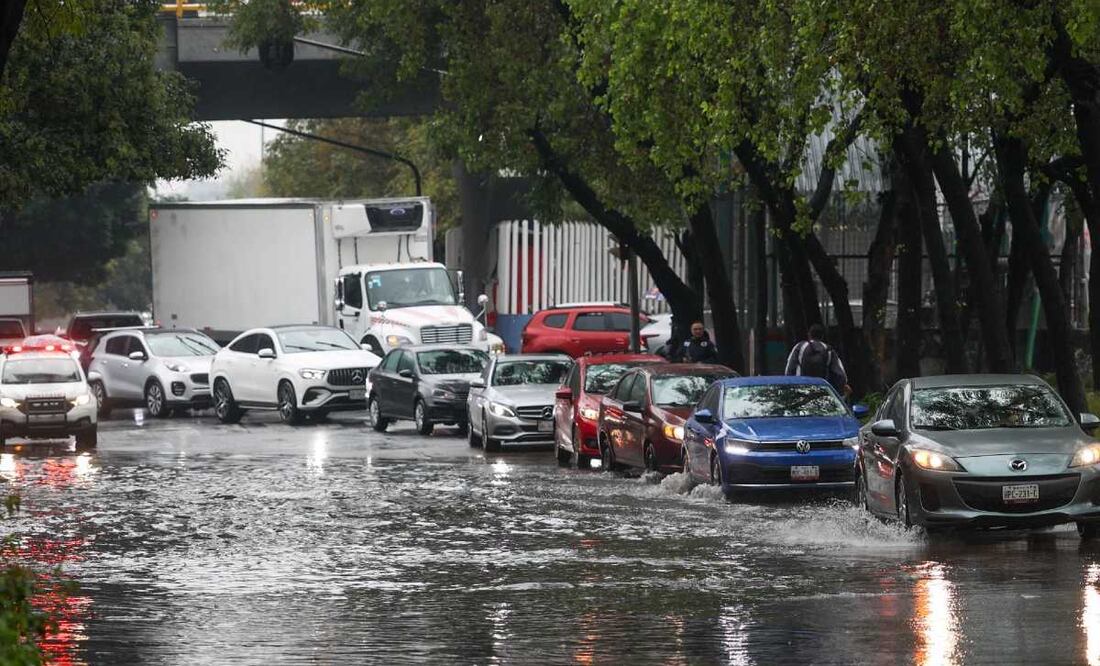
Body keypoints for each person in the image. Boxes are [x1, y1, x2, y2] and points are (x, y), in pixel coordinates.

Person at [785, 323, 850, 394]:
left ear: (809, 335)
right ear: (822, 336)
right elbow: (840, 374)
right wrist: (842, 387)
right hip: (822, 392)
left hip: (801, 390)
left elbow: (789, 369)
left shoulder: (799, 347)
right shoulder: (828, 350)